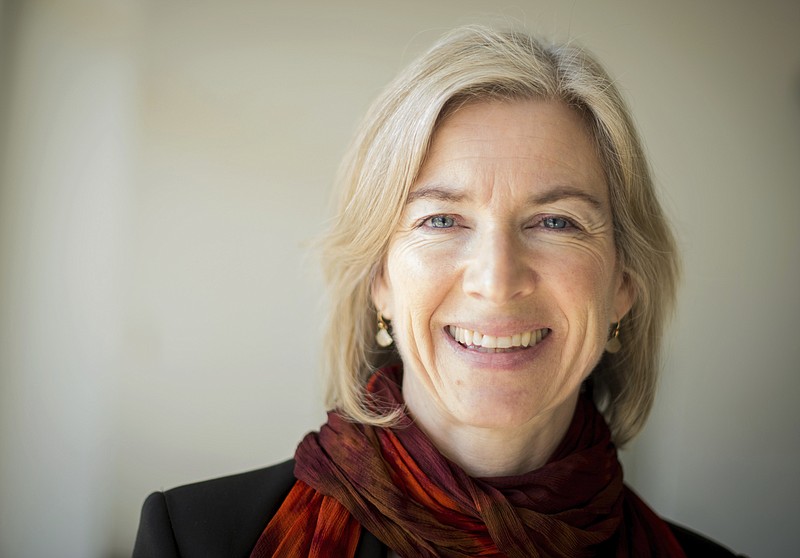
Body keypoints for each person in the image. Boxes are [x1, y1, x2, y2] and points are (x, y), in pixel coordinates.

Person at [133, 26, 742, 557]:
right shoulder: (196, 538)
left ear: (623, 286)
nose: (497, 280)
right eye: (442, 220)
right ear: (380, 281)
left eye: (555, 222)